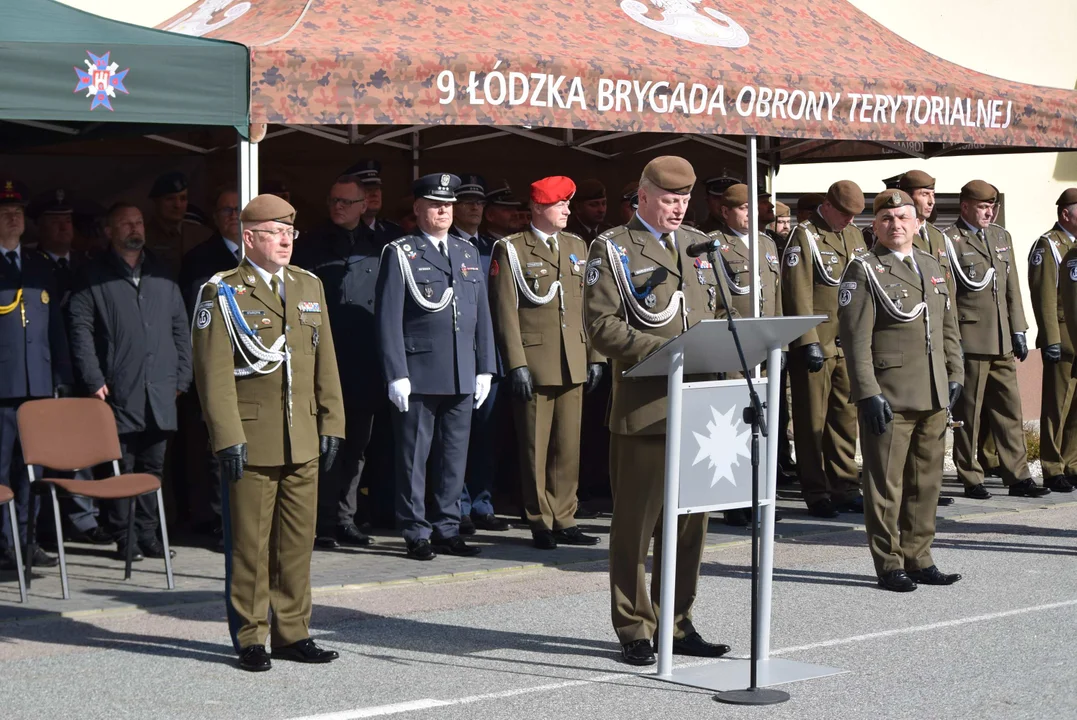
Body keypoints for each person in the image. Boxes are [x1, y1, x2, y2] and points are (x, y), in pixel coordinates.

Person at [583, 156, 734, 667]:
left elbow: (710, 315)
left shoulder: (698, 243)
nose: (678, 208)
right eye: (669, 199)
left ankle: (677, 619)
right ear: (643, 196)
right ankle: (634, 626)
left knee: (691, 526)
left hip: (699, 408)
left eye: (684, 199)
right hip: (647, 407)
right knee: (636, 526)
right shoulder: (614, 247)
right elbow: (601, 326)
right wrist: (665, 352)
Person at [191, 194, 344, 672]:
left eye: (290, 233)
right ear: (249, 237)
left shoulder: (307, 286)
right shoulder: (222, 291)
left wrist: (332, 421)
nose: (285, 240)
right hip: (252, 438)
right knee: (251, 546)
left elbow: (325, 361)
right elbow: (212, 374)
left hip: (302, 435)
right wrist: (226, 435)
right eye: (276, 232)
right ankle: (251, 636)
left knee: (298, 543)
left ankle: (293, 631)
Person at [839, 189, 964, 592]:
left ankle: (920, 556)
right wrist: (867, 392)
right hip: (889, 395)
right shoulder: (864, 270)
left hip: (932, 391)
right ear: (874, 226)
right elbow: (855, 339)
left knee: (926, 483)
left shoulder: (931, 265)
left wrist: (955, 373)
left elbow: (948, 327)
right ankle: (889, 563)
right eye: (887, 219)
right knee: (885, 486)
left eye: (903, 218)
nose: (896, 226)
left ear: (917, 223)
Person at [375, 173, 496, 560]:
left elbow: (482, 315)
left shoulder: (464, 251)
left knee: (453, 455)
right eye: (433, 203)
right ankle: (415, 529)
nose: (443, 210)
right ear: (417, 208)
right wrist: (396, 372)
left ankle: (447, 526)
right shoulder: (401, 252)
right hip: (420, 370)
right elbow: (389, 317)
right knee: (414, 457)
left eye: (447, 204)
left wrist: (485, 366)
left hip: (462, 370)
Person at [67, 202, 191, 561]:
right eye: (126, 224)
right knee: (121, 466)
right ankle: (125, 537)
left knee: (153, 468)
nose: (135, 229)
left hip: (162, 388)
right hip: (118, 388)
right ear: (109, 231)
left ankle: (150, 535)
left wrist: (183, 374)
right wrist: (92, 377)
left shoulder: (162, 271)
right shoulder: (92, 274)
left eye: (138, 222)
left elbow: (180, 327)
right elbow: (80, 330)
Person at [489, 176, 604, 549]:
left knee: (568, 448)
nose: (568, 210)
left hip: (573, 358)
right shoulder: (511, 249)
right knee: (535, 447)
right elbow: (505, 310)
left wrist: (595, 354)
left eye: (568, 204)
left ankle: (564, 516)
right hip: (536, 360)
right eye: (560, 204)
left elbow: (589, 305)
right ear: (538, 208)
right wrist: (515, 363)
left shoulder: (576, 245)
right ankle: (539, 518)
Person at [291, 175, 381, 549]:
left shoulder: (383, 246)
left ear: (364, 205)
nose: (338, 207)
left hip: (365, 361)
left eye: (346, 201)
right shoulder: (310, 246)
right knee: (324, 444)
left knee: (356, 446)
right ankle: (321, 519)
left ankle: (345, 517)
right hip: (322, 361)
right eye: (333, 201)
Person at [943, 180, 1049, 499]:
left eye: (993, 207)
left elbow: (1011, 286)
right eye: (982, 207)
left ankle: (1017, 476)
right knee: (969, 414)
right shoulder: (950, 241)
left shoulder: (1001, 236)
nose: (989, 212)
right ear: (965, 207)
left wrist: (1019, 329)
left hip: (1002, 338)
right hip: (971, 338)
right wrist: (953, 342)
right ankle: (970, 475)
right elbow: (948, 297)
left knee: (1009, 410)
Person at [25, 189, 110, 546]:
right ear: (39, 227)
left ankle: (85, 518)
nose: (63, 228)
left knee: (85, 447)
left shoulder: (86, 265)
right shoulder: (33, 264)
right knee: (47, 450)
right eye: (54, 222)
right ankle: (46, 523)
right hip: (48, 368)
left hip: (86, 369)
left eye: (67, 221)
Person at [782, 181, 868, 518]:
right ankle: (816, 491)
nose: (849, 220)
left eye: (854, 215)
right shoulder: (804, 235)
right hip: (817, 343)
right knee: (811, 422)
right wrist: (807, 340)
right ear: (828, 205)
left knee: (845, 420)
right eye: (845, 213)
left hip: (847, 342)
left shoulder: (854, 236)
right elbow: (797, 290)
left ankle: (845, 485)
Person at [0, 180, 70, 571]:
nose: (14, 217)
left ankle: (26, 540)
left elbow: (54, 327)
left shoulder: (40, 267)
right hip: (2, 387)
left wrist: (60, 376)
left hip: (38, 386)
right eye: (6, 212)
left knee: (32, 469)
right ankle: (3, 543)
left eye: (18, 212)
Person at [707, 183, 786, 522]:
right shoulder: (714, 244)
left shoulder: (767, 243)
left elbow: (776, 296)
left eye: (754, 208)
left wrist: (780, 338)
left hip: (765, 347)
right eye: (742, 208)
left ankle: (761, 495)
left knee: (767, 422)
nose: (750, 214)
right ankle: (735, 501)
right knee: (734, 424)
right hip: (735, 346)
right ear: (725, 212)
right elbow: (715, 301)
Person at [177, 187, 244, 549]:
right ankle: (219, 521)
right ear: (216, 217)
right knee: (216, 445)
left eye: (238, 209)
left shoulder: (259, 257)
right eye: (225, 210)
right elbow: (194, 317)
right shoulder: (201, 258)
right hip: (217, 363)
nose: (232, 215)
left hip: (255, 364)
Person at [449, 175, 510, 534]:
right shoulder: (447, 245)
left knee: (487, 435)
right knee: (457, 436)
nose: (475, 207)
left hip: (490, 355)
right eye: (467, 201)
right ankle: (458, 505)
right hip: (457, 352)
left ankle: (482, 503)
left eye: (479, 202)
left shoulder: (494, 248)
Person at [1027, 189, 1077, 493]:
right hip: (1062, 334)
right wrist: (1049, 337)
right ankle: (1052, 466)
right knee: (1056, 406)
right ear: (1066, 214)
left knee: (1076, 408)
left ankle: (1072, 463)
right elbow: (1043, 294)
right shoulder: (1048, 245)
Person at [145, 171, 211, 275]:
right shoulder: (144, 236)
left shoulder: (203, 235)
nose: (177, 205)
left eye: (183, 198)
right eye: (170, 199)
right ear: (156, 201)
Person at [344, 160, 405, 246]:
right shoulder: (337, 234)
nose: (374, 194)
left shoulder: (394, 232)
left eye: (377, 188)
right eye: (367, 189)